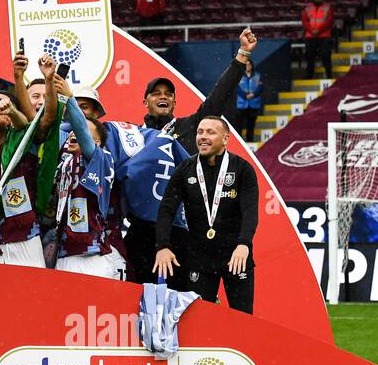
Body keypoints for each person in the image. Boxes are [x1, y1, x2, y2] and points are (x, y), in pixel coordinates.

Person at [107, 28, 258, 287]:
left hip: (182, 229)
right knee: (135, 297)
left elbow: (216, 99)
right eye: (156, 93)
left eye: (168, 93)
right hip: (141, 230)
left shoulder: (188, 129)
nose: (163, 96)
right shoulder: (132, 137)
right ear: (145, 101)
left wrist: (242, 55)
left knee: (184, 300)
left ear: (175, 102)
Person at [153, 117, 259, 313]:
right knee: (199, 320)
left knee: (243, 320)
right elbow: (166, 210)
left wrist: (244, 244)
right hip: (199, 259)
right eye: (200, 132)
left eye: (210, 132)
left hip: (235, 256)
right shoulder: (185, 169)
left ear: (225, 139)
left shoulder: (243, 169)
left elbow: (249, 211)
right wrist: (162, 246)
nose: (203, 137)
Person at [0, 51, 61, 266]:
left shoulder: (22, 142)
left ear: (8, 119)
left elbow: (34, 122)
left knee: (32, 298)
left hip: (24, 239)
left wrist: (23, 82)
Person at [53, 95, 125, 278]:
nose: (72, 134)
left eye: (79, 131)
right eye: (71, 131)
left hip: (91, 254)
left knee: (95, 307)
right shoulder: (65, 164)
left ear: (97, 142)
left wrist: (69, 98)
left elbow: (85, 137)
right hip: (64, 253)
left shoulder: (100, 157)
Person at [301, 0, 334, 79]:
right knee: (309, 56)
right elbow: (305, 21)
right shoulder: (307, 8)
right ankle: (309, 75)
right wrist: (312, 31)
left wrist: (318, 30)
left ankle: (329, 74)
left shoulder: (328, 7)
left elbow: (329, 21)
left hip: (324, 35)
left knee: (325, 55)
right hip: (310, 36)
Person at [235, 60, 263, 142]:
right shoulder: (239, 76)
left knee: (251, 124)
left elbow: (260, 87)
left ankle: (250, 140)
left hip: (253, 104)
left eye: (249, 64)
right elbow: (237, 88)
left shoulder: (257, 75)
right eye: (246, 65)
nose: (248, 66)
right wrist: (245, 95)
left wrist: (253, 94)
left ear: (252, 65)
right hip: (241, 104)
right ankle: (239, 142)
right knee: (239, 125)